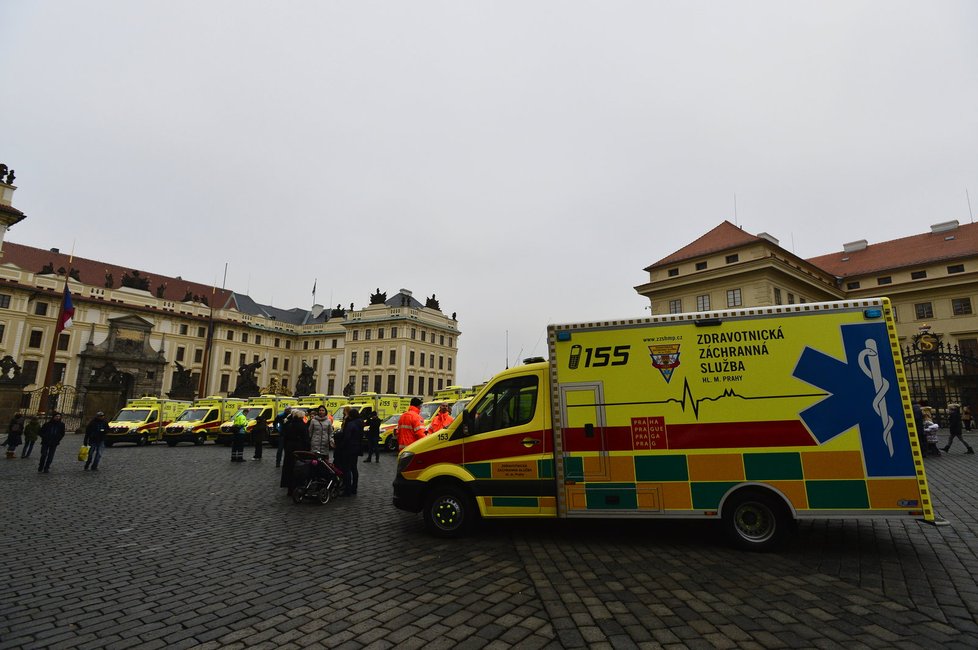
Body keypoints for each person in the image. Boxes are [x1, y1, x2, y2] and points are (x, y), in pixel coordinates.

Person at [280, 409, 310, 496]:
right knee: (298, 468)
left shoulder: (289, 424)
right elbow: (306, 439)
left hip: (289, 448)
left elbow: (284, 436)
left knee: (289, 468)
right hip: (299, 448)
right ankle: (298, 487)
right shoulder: (302, 425)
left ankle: (290, 488)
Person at [335, 407, 362, 495]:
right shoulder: (360, 423)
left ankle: (347, 489)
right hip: (356, 448)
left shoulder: (351, 424)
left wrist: (341, 446)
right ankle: (354, 488)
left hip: (349, 449)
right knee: (354, 468)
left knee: (347, 469)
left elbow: (347, 437)